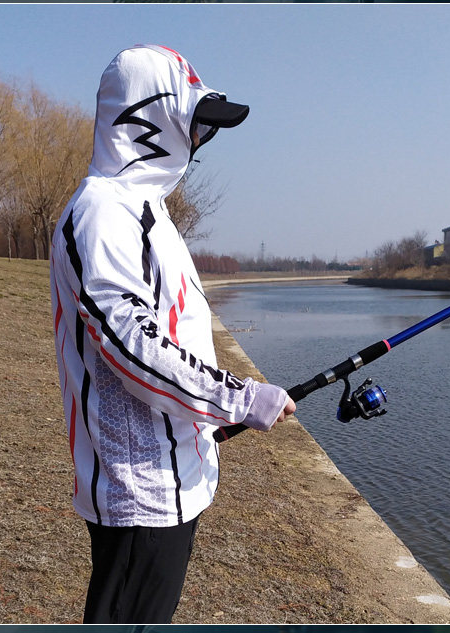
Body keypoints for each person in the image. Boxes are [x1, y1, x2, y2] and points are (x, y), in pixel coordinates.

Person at [49, 44, 296, 624]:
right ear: (148, 118)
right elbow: (132, 347)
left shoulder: (147, 210)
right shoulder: (102, 214)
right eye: (194, 124)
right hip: (141, 494)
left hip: (177, 479)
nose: (200, 141)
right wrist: (239, 398)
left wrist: (212, 418)